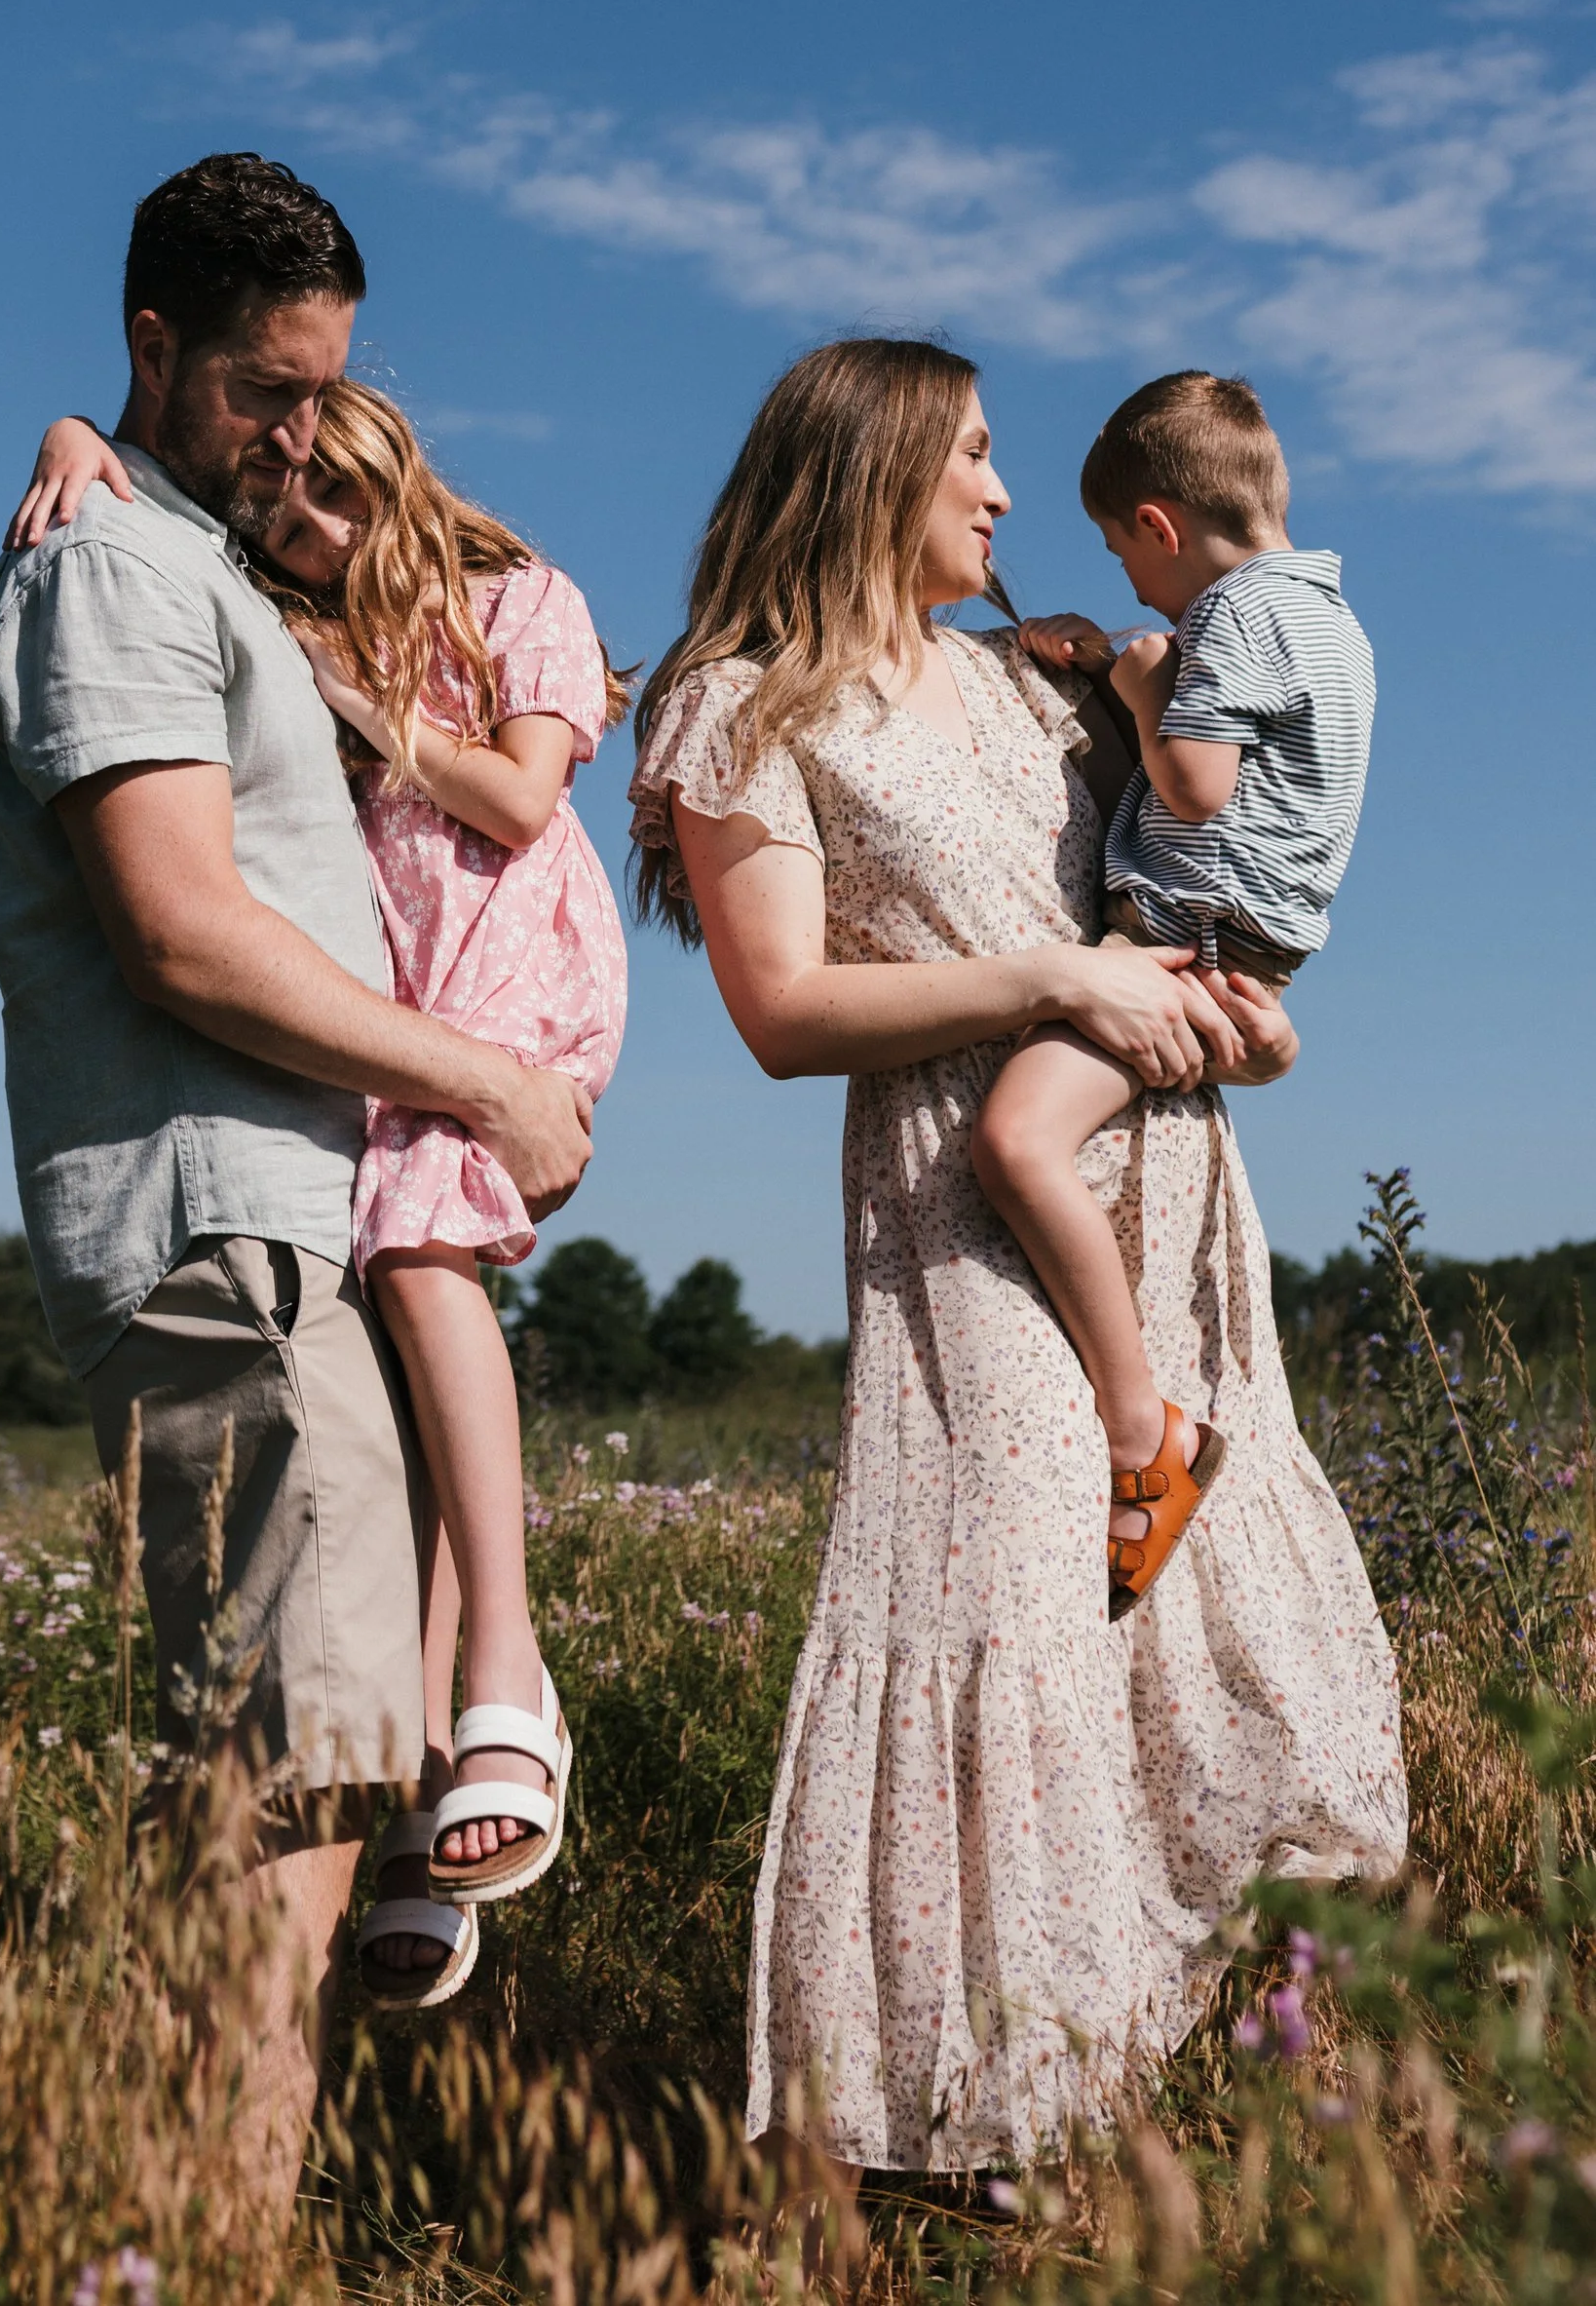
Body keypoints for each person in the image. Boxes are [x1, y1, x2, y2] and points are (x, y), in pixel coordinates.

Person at [627, 337, 1402, 2177]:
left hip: (1162, 1176)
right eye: (970, 454)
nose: (996, 486)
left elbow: (1190, 866)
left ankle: (1201, 2073)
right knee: (1014, 1616)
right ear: (872, 470)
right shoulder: (744, 711)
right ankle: (983, 2121)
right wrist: (1058, 981)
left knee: (1215, 1627)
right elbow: (786, 1008)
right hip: (964, 1207)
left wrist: (1233, 1007)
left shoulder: (1034, 688)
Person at [0, 155, 593, 2234]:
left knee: (303, 1755)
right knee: (293, 1770)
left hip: (295, 1229)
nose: (295, 434)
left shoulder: (200, 559)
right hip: (222, 1230)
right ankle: (210, 2234)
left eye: (320, 392)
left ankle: (174, 2205)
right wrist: (482, 1080)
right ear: (153, 348)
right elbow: (180, 936)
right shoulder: (120, 579)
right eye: (257, 390)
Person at [16, 378, 627, 2005]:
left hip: (507, 984)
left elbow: (513, 798)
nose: (312, 539)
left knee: (425, 1265)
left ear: (401, 486)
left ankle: (507, 1678)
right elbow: (161, 490)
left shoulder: (520, 600)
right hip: (408, 999)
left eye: (338, 508)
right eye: (286, 526)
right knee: (402, 1385)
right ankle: (441, 1785)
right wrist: (76, 440)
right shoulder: (308, 625)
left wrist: (346, 692)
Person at [972, 372, 1376, 1612]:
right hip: (1247, 940)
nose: (1134, 586)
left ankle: (1144, 1430)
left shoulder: (1239, 622)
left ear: (1159, 525)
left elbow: (1195, 786)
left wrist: (1146, 691)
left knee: (1015, 1141)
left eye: (1121, 552)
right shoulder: (1325, 620)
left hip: (1182, 933)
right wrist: (1114, 669)